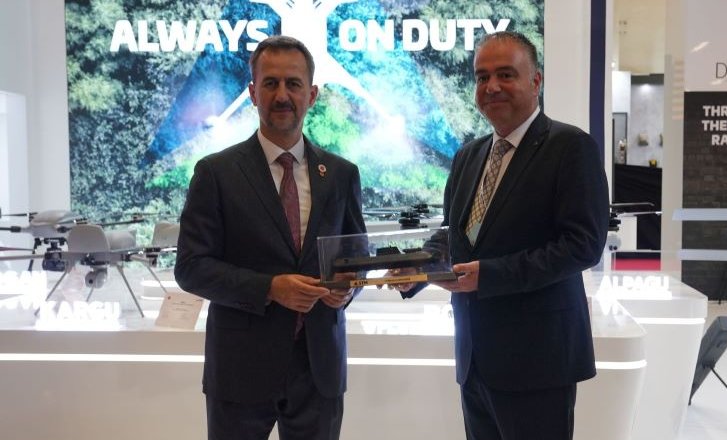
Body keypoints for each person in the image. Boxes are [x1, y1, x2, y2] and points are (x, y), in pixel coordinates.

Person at [393, 31, 609, 439]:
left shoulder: (570, 147)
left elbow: (583, 245)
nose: (491, 86)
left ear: (536, 81)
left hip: (539, 360)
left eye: (505, 75)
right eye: (482, 77)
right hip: (474, 356)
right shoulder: (468, 155)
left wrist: (489, 275)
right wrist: (418, 268)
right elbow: (456, 233)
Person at [175, 35, 366, 440]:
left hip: (319, 371)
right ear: (252, 93)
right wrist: (270, 288)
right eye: (271, 83)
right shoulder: (215, 173)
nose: (282, 95)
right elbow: (191, 268)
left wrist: (347, 289)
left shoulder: (342, 174)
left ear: (311, 94)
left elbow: (356, 259)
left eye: (293, 84)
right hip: (240, 371)